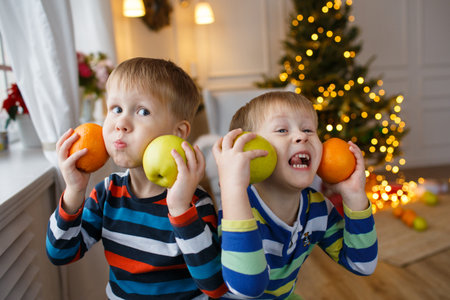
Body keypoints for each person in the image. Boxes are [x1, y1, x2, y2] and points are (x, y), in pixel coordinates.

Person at [46, 57, 227, 299]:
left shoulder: (194, 202)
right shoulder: (106, 193)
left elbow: (214, 285)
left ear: (178, 132)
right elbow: (60, 254)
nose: (121, 123)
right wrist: (73, 192)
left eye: (142, 111)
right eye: (116, 109)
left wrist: (180, 209)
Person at [212, 91, 378, 299]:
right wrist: (233, 188)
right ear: (249, 150)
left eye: (308, 129)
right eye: (282, 130)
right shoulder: (236, 210)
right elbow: (247, 288)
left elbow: (362, 264)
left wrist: (355, 196)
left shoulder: (318, 209)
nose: (302, 136)